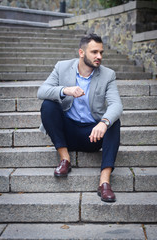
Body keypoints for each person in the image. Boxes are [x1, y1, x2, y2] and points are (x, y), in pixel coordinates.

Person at [37, 33, 123, 202]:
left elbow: (116, 105)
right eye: (94, 52)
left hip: (92, 135)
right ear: (81, 52)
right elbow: (42, 91)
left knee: (113, 121)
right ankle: (65, 159)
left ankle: (104, 183)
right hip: (67, 133)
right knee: (48, 105)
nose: (99, 56)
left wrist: (104, 123)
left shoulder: (108, 75)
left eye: (101, 52)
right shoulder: (62, 67)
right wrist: (64, 90)